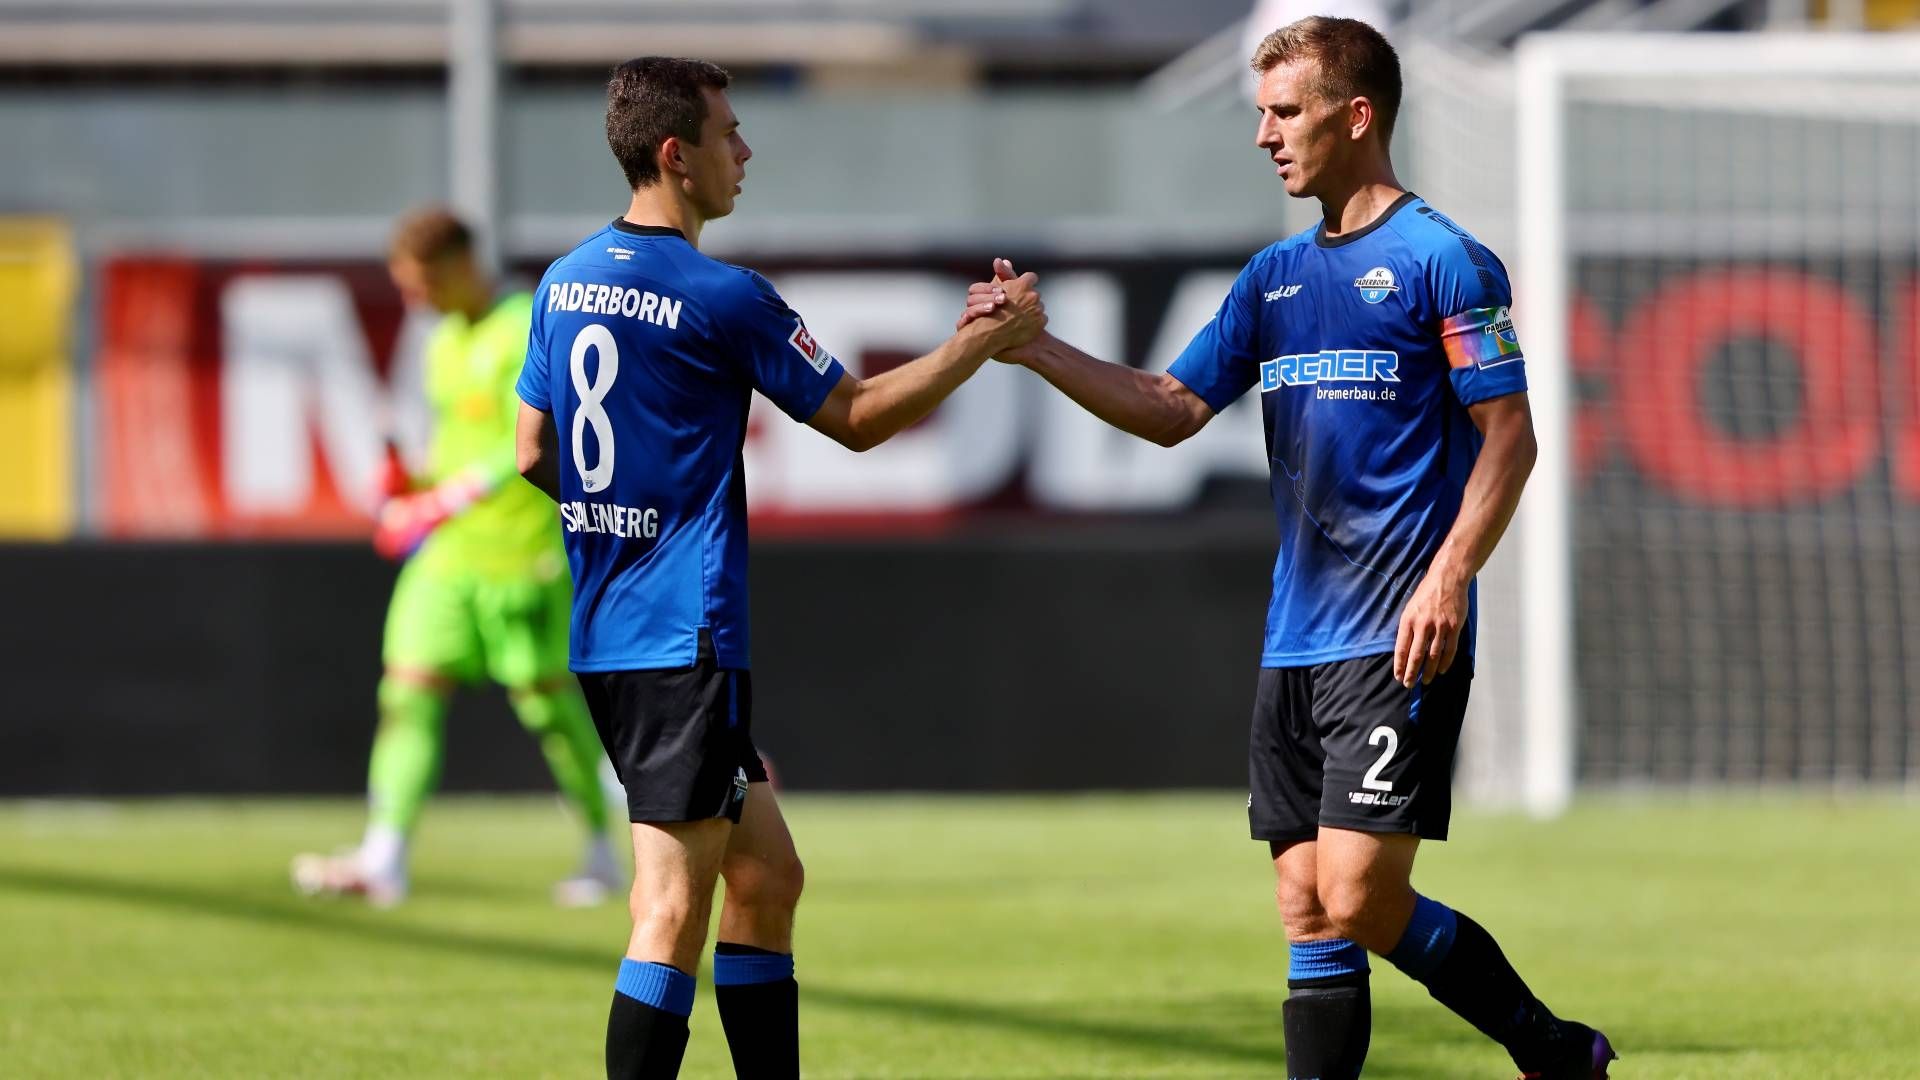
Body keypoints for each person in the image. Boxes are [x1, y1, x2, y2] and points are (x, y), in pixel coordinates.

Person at [963, 17, 1612, 1080]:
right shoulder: (1272, 277)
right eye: (1260, 113)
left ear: (1356, 115)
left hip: (1398, 638)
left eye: (1287, 111)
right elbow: (1172, 406)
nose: (1265, 135)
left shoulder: (1442, 260)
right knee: (1308, 905)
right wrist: (1034, 347)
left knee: (1360, 897)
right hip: (1295, 641)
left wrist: (1449, 575)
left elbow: (1514, 435)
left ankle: (1546, 1047)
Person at [512, 57, 1044, 1079]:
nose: (745, 152)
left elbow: (534, 452)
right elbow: (853, 419)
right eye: (729, 133)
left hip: (614, 628)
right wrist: (979, 340)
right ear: (677, 153)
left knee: (768, 878)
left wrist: (620, 522)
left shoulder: (564, 278)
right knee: (669, 909)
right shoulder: (724, 296)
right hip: (683, 639)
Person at [291, 209, 621, 909]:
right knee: (407, 691)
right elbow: (455, 444)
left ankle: (600, 848)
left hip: (523, 556)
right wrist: (410, 483)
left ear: (464, 265)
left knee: (551, 717)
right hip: (450, 558)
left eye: (424, 284)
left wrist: (445, 498)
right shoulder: (444, 341)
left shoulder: (528, 324)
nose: (416, 301)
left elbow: (534, 440)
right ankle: (385, 855)